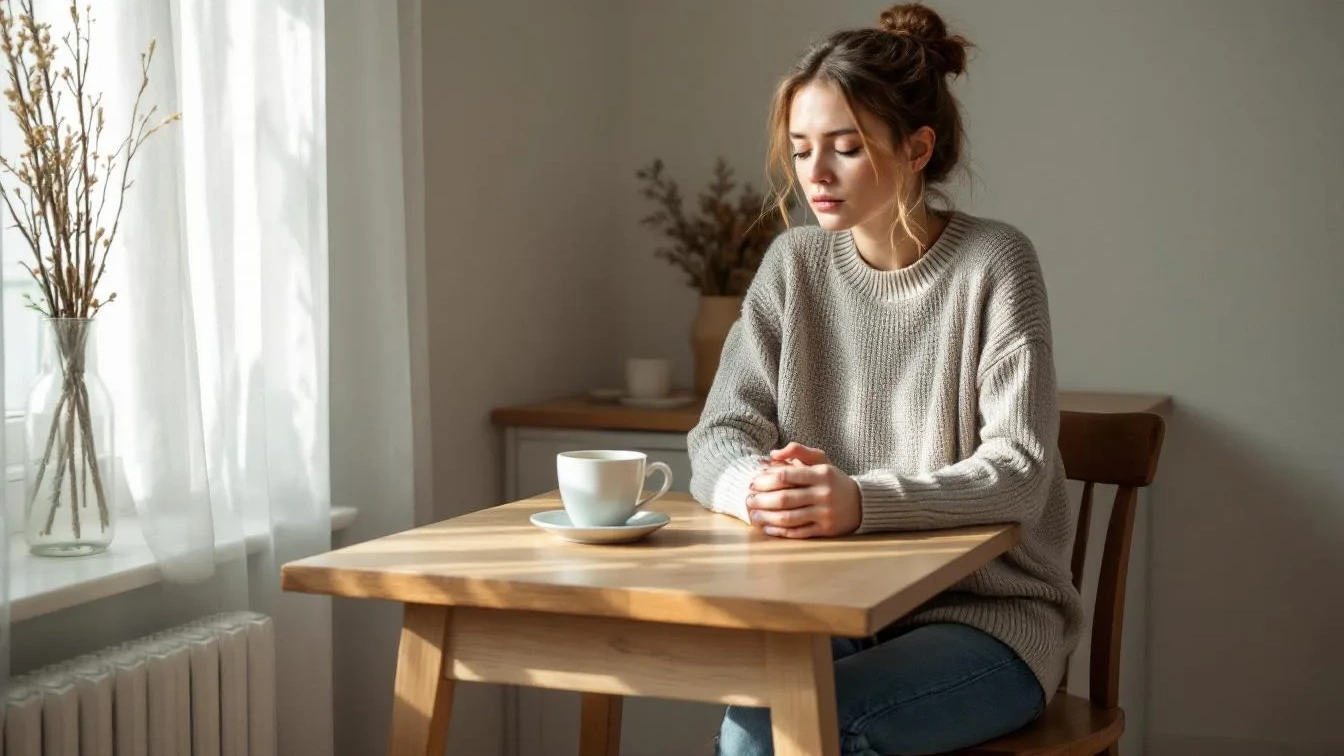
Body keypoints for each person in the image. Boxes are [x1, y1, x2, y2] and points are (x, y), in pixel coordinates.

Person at [686, 4, 1084, 755]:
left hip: (987, 621)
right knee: (752, 728)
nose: (816, 175)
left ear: (916, 148)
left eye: (845, 147)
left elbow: (1021, 473)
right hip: (835, 609)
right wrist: (753, 490)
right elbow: (719, 433)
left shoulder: (995, 265)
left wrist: (856, 501)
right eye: (802, 151)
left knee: (816, 731)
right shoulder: (793, 265)